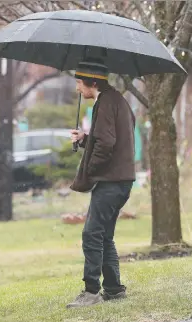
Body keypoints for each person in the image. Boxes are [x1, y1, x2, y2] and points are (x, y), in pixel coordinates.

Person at [66, 58, 136, 308]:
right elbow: (109, 138)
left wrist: (91, 170)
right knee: (104, 235)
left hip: (111, 181)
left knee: (91, 233)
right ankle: (115, 289)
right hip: (121, 180)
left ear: (92, 82)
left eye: (79, 84)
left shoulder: (105, 103)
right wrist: (85, 138)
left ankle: (91, 291)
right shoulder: (116, 100)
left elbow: (106, 144)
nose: (77, 89)